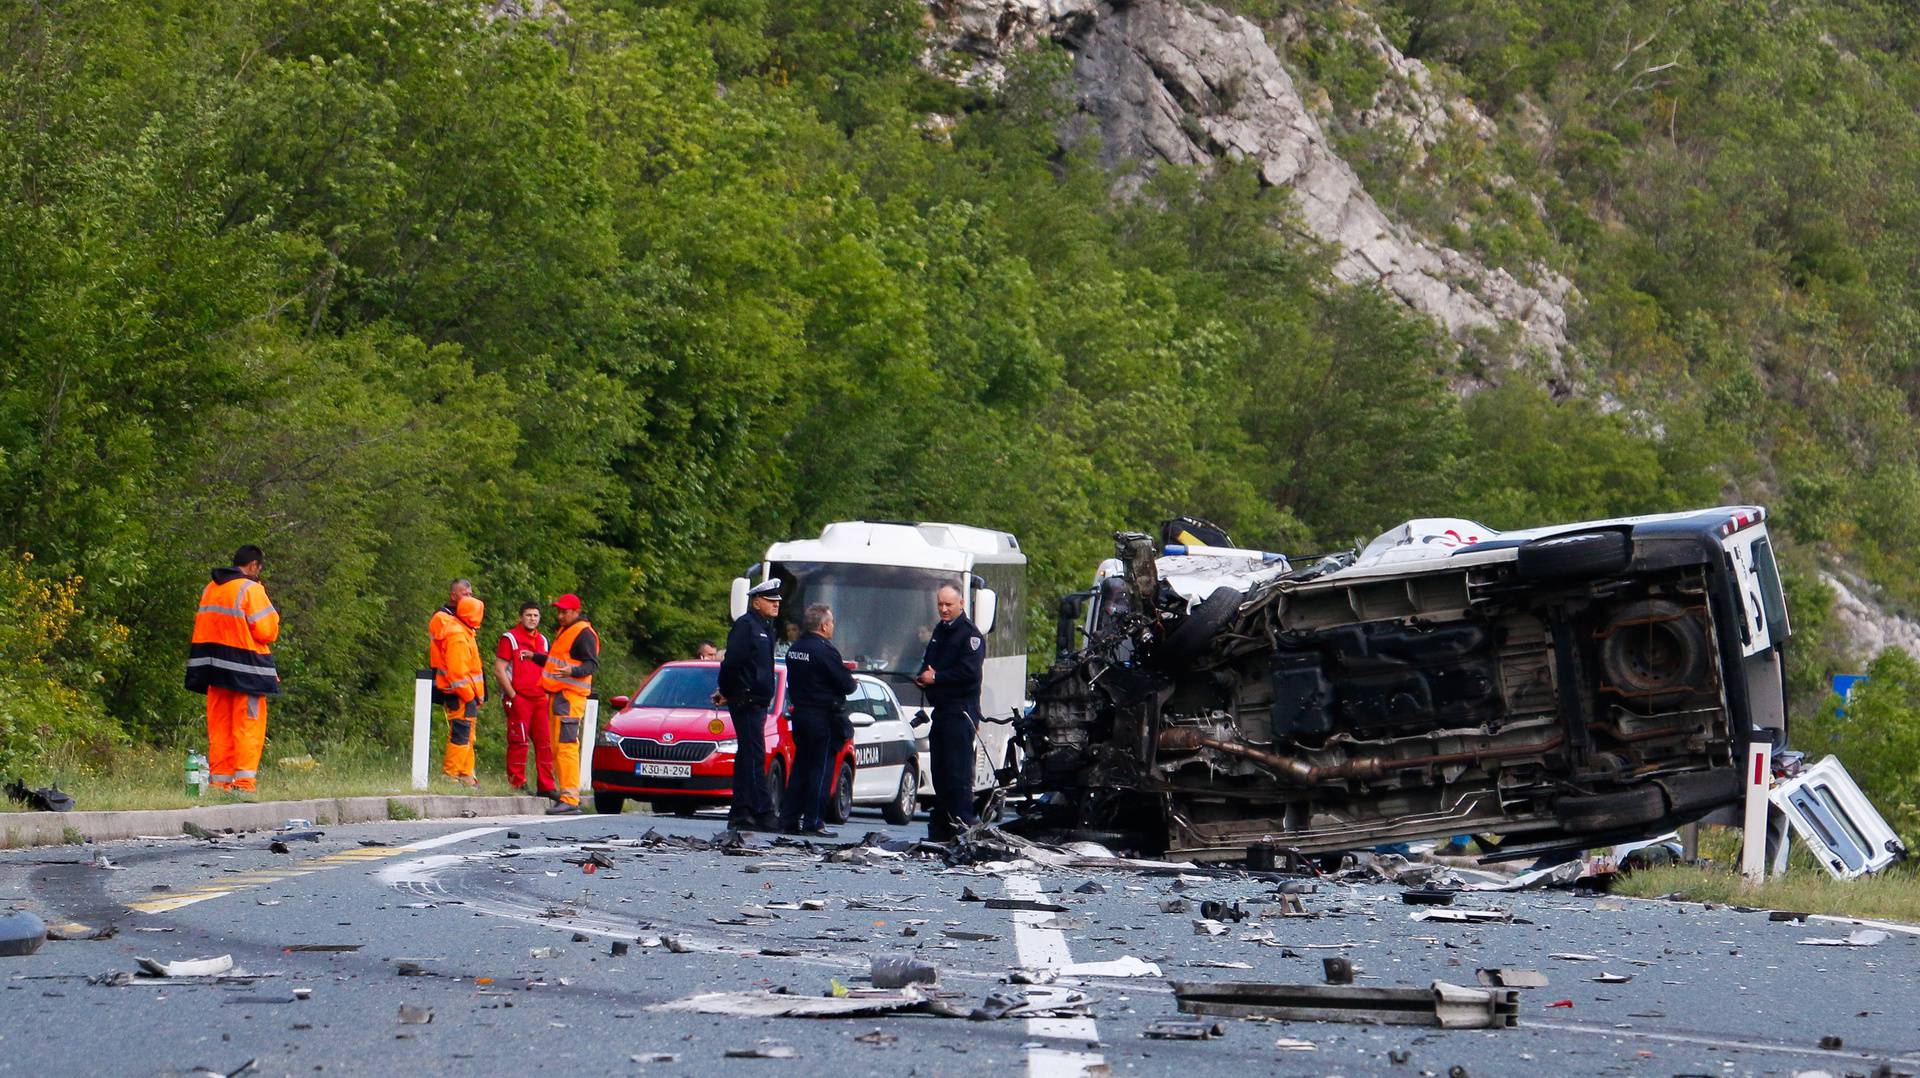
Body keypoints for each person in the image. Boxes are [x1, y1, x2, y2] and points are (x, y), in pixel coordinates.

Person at [184, 545, 280, 797]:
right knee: (248, 726)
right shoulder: (250, 589)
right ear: (253, 566)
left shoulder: (211, 589)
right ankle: (243, 784)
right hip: (246, 672)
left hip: (215, 672)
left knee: (221, 729)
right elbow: (267, 630)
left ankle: (220, 783)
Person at [780, 603, 856, 838]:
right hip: (823, 717)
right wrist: (851, 681)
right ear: (824, 625)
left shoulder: (795, 649)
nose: (832, 626)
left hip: (801, 715)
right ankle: (814, 821)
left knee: (801, 768)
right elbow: (847, 684)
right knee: (820, 770)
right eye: (831, 623)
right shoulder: (825, 650)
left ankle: (789, 819)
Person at [915, 582, 984, 840]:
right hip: (941, 712)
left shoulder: (970, 635)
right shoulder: (940, 631)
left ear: (961, 604)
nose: (943, 609)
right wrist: (923, 676)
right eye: (940, 605)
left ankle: (962, 827)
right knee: (940, 773)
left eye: (948, 605)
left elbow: (969, 673)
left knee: (957, 774)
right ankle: (940, 829)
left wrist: (938, 678)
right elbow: (930, 661)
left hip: (960, 711)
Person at [715, 579, 780, 831]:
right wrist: (728, 691)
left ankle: (742, 811)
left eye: (777, 602)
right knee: (754, 756)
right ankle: (762, 810)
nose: (776, 605)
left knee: (747, 756)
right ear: (756, 602)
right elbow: (732, 663)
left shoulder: (765, 627)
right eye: (770, 601)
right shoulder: (746, 626)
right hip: (746, 699)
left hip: (758, 700)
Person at [528, 593, 599, 815]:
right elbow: (556, 662)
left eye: (564, 611)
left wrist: (573, 671)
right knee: (559, 748)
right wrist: (535, 656)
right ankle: (567, 795)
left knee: (567, 747)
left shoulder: (583, 633)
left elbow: (591, 665)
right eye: (559, 611)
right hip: (559, 696)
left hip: (569, 697)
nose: (560, 615)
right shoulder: (567, 631)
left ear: (576, 612)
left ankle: (570, 798)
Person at [494, 601, 553, 796]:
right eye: (528, 615)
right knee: (519, 741)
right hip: (519, 698)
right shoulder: (510, 638)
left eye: (536, 616)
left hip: (540, 699)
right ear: (521, 617)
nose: (532, 619)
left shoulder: (543, 641)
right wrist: (513, 696)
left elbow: (548, 668)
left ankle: (546, 786)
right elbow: (499, 669)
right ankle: (517, 782)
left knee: (545, 743)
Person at [428, 593, 487, 787]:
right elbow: (457, 673)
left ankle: (465, 774)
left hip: (464, 694)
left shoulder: (463, 631)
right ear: (472, 614)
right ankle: (450, 774)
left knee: (467, 735)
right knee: (461, 734)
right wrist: (470, 696)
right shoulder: (458, 636)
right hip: (460, 694)